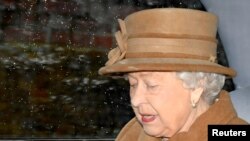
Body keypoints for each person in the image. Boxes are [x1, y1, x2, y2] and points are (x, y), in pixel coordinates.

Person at [98, 8, 248, 141]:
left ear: (197, 87)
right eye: (133, 84)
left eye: (151, 85)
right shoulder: (134, 131)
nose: (136, 100)